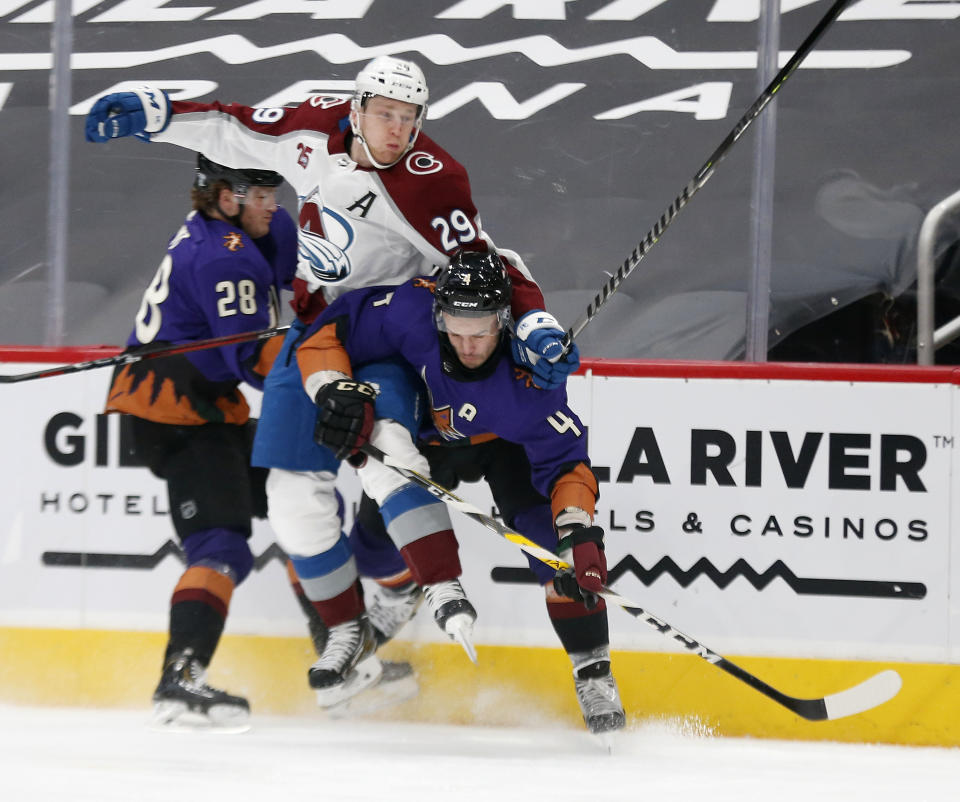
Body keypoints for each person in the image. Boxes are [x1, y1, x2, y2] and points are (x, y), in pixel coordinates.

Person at [84, 58, 582, 709]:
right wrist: (160, 113)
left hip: (386, 333)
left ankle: (436, 585)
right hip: (316, 336)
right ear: (357, 109)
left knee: (384, 452)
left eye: (409, 118)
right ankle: (346, 636)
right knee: (291, 498)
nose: (397, 129)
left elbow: (484, 264)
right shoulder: (310, 132)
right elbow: (230, 130)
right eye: (385, 113)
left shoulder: (432, 182)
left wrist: (532, 319)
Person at [298, 250, 626, 737]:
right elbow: (330, 329)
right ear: (437, 314)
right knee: (372, 550)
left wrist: (576, 526)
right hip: (426, 443)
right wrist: (332, 387)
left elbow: (565, 464)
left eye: (481, 331)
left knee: (558, 557)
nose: (468, 345)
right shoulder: (408, 311)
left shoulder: (531, 381)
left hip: (503, 445)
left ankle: (593, 670)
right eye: (455, 329)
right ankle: (403, 588)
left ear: (504, 320)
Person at [103, 154, 298, 728]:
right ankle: (180, 676)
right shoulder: (220, 257)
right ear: (224, 196)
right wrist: (324, 374)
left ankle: (341, 655)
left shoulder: (255, 229)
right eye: (258, 193)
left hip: (211, 405)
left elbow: (307, 291)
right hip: (174, 412)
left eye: (272, 192)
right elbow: (251, 359)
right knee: (221, 544)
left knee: (300, 500)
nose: (271, 203)